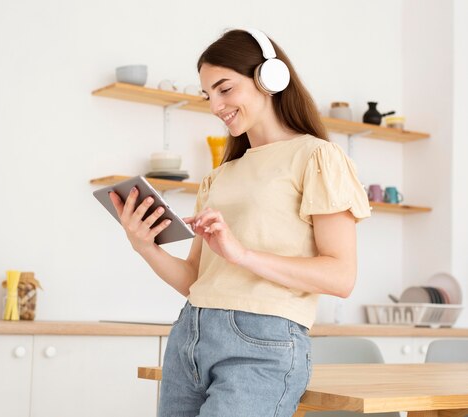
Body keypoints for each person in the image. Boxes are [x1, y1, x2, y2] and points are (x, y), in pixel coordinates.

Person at [109, 28, 371, 417]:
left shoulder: (317, 157)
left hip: (262, 343)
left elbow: (341, 276)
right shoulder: (222, 174)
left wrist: (242, 254)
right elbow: (195, 280)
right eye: (207, 95)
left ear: (270, 78)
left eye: (225, 89)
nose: (215, 105)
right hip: (189, 336)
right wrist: (144, 245)